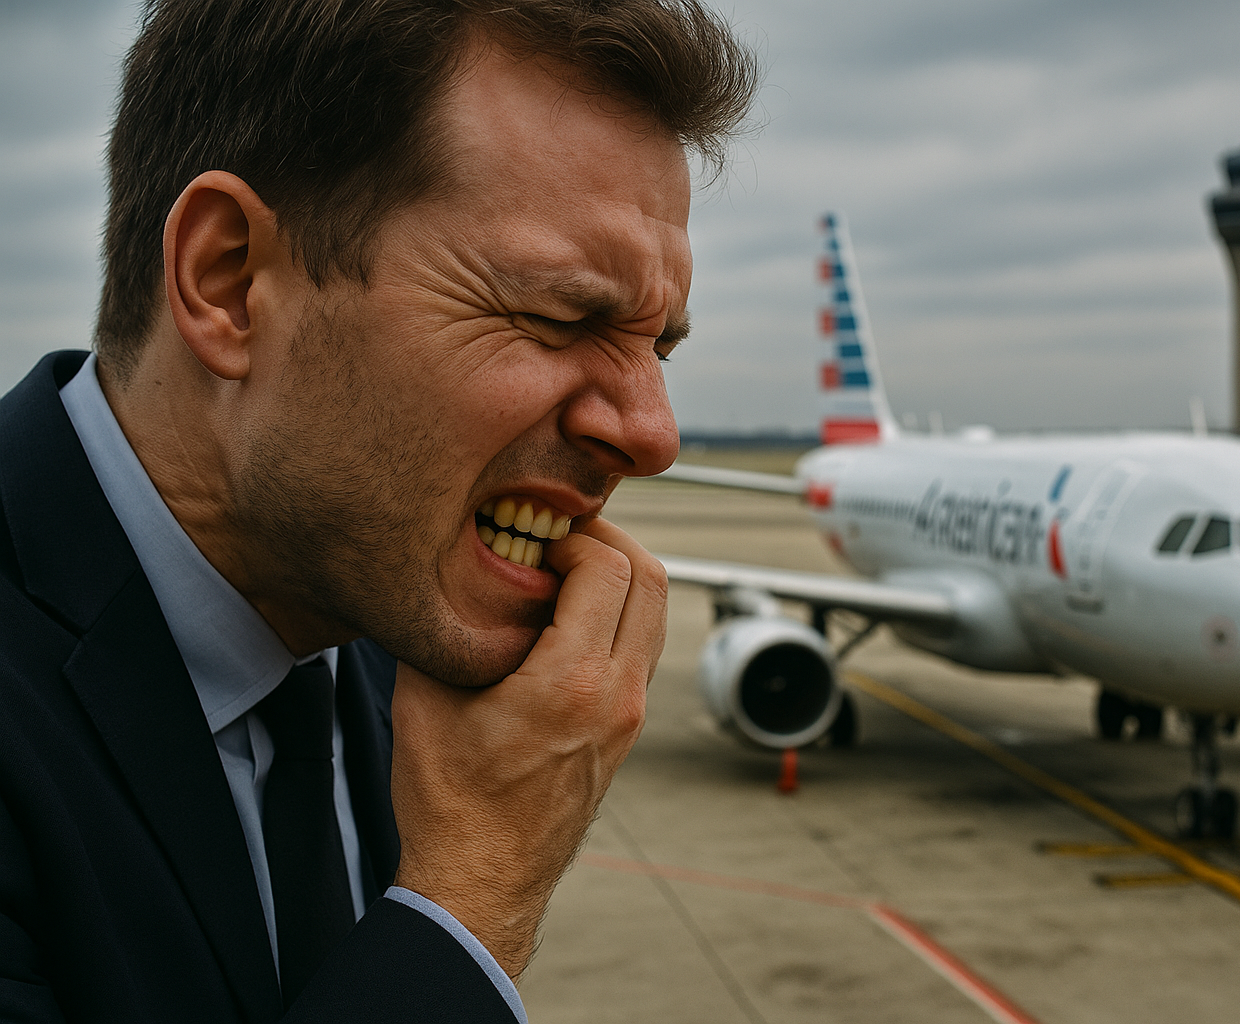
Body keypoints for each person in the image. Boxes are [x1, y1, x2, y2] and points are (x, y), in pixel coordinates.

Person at [0, 0, 757, 1020]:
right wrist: (469, 897)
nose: (652, 432)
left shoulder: (377, 621)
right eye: (557, 315)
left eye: (658, 346)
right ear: (228, 282)